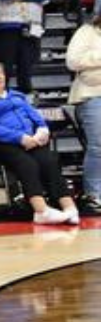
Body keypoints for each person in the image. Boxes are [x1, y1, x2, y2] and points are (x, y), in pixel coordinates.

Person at [0, 61, 81, 226]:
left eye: (1, 72)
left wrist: (42, 130)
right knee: (27, 164)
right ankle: (41, 210)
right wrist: (20, 137)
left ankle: (69, 207)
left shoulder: (17, 96)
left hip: (31, 139)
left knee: (49, 161)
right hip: (3, 142)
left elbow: (36, 117)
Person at [66, 12, 101, 214]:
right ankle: (94, 195)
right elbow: (72, 62)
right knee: (98, 147)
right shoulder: (86, 32)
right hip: (92, 95)